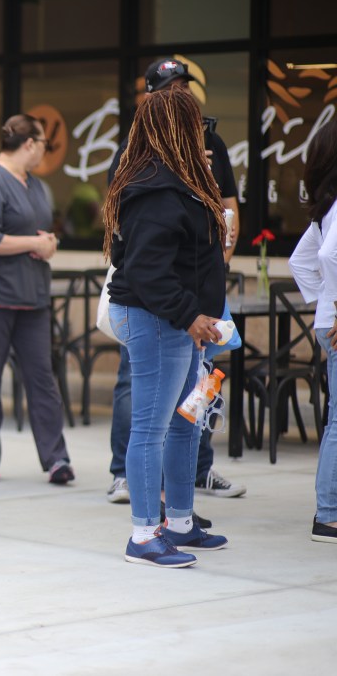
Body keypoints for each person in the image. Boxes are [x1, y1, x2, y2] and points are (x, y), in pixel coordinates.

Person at [106, 58, 246, 504]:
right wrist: (190, 316)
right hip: (160, 316)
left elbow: (212, 228)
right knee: (152, 425)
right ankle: (145, 529)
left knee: (187, 419)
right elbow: (146, 266)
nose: (199, 127)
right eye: (186, 115)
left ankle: (182, 519)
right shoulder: (153, 183)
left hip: (189, 316)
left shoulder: (190, 169)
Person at [0, 115, 74, 485]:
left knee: (42, 378)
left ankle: (56, 459)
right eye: (43, 143)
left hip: (33, 298)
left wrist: (48, 243)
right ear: (29, 144)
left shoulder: (37, 185)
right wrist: (35, 243)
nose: (45, 150)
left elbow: (41, 231)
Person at [287, 119, 337, 544]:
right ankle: (329, 515)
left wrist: (324, 303)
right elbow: (328, 256)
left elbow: (300, 262)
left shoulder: (328, 208)